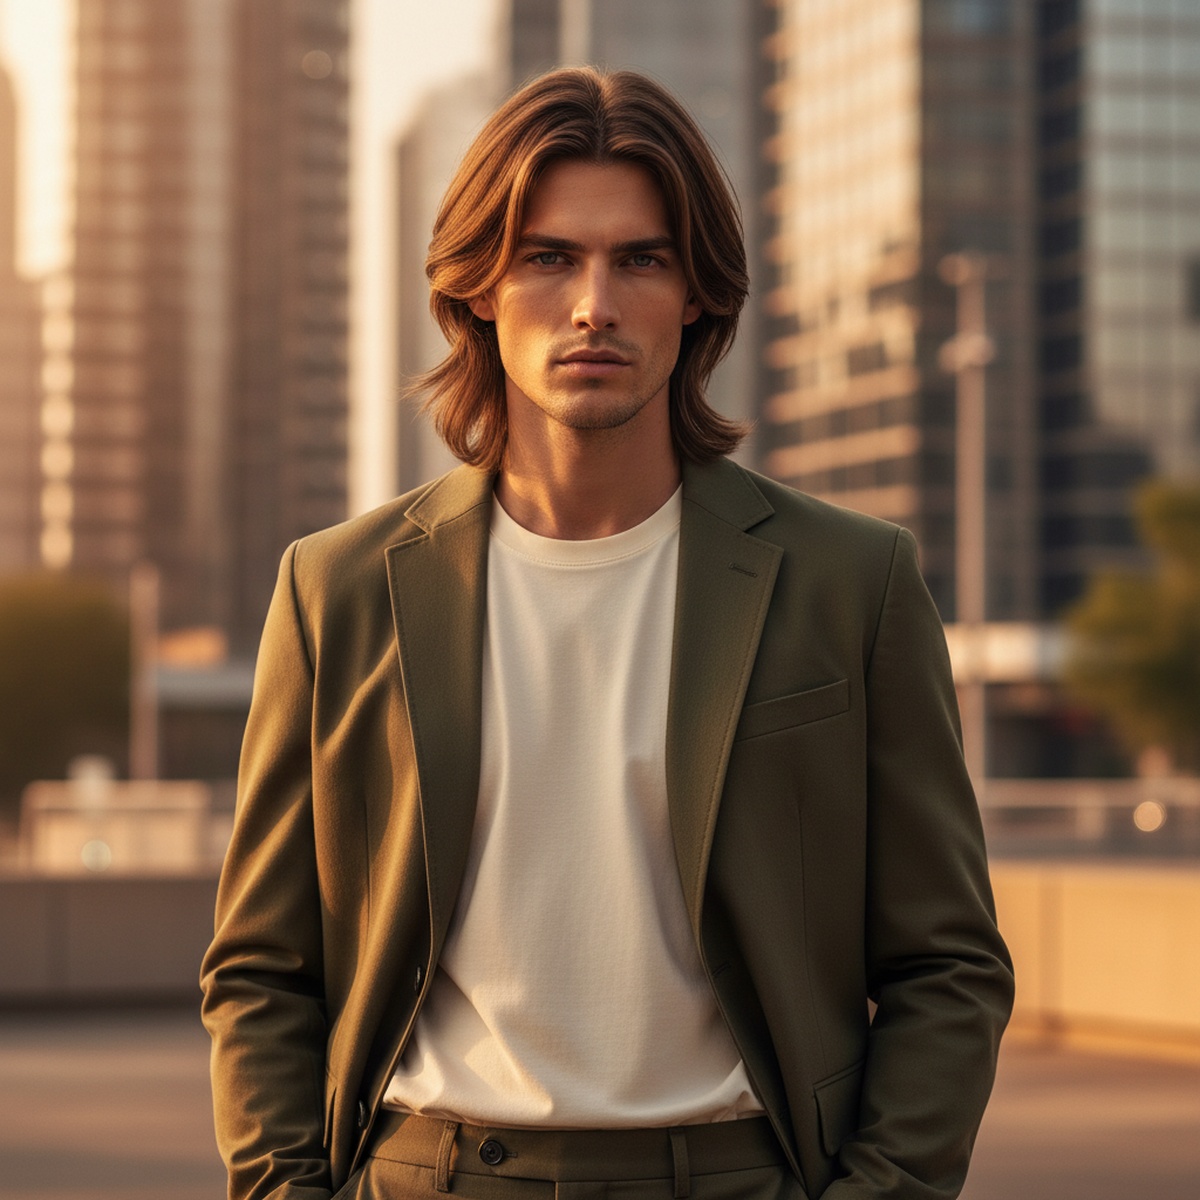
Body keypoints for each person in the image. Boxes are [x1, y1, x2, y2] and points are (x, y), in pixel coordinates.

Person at [201, 67, 1013, 1200]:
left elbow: (948, 962)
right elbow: (262, 968)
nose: (594, 304)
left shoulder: (850, 582)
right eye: (547, 257)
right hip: (426, 1171)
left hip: (738, 1170)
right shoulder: (336, 590)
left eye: (642, 258)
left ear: (696, 295)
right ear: (479, 287)